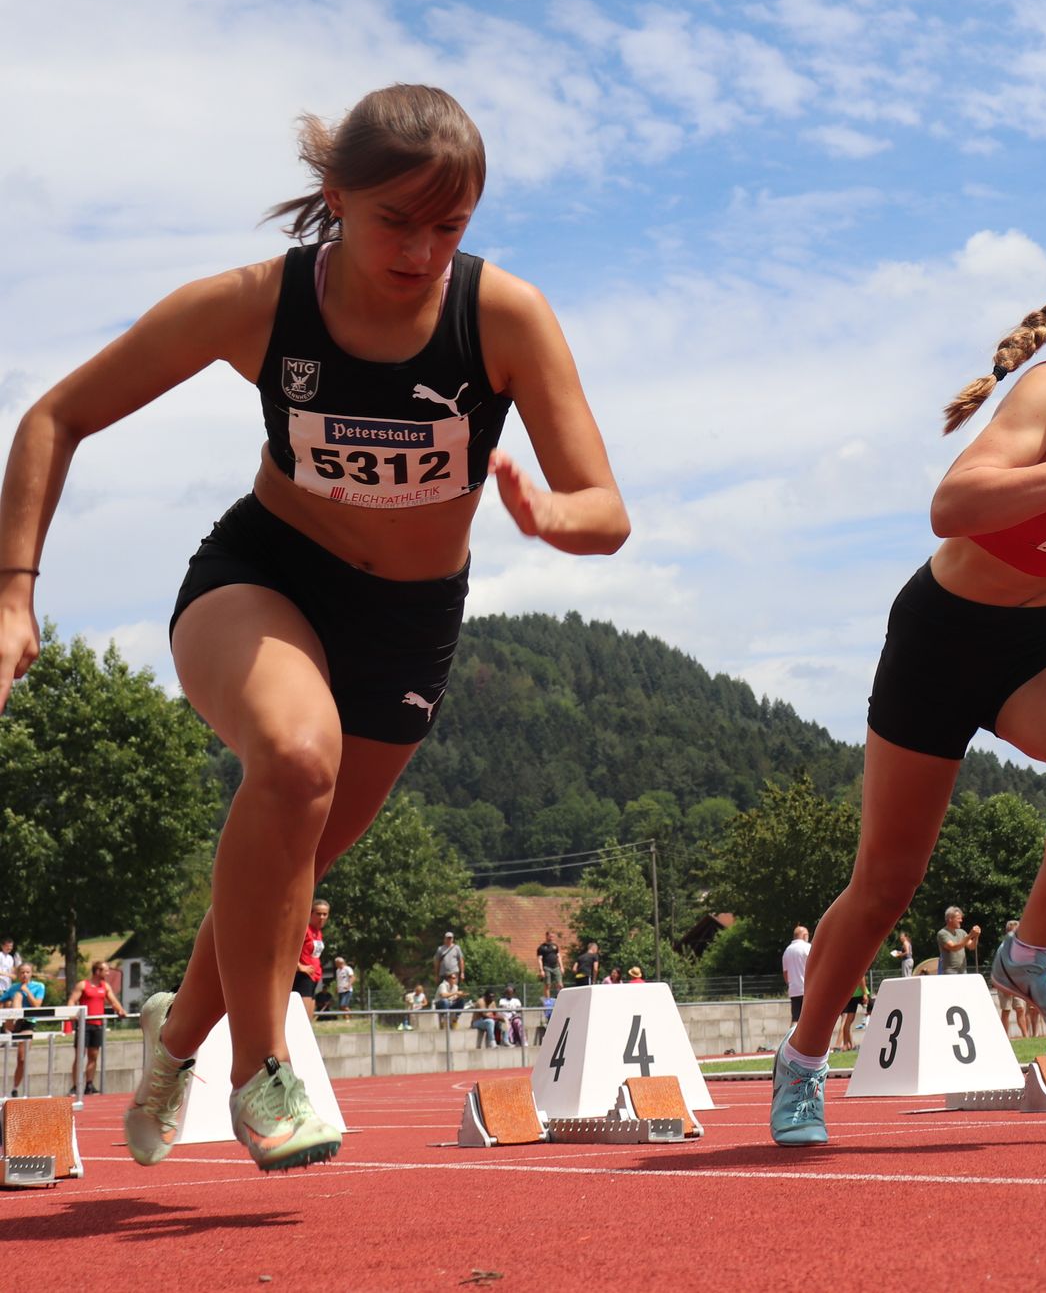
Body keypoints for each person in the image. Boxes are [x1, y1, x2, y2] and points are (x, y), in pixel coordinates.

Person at [0, 87, 631, 1173]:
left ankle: (176, 1048)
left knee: (285, 865)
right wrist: (14, 593)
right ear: (336, 198)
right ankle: (262, 1073)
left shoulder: (505, 318)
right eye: (398, 222)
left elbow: (607, 512)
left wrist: (547, 515)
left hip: (409, 625)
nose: (425, 250)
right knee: (295, 759)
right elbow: (56, 416)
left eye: (453, 226)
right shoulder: (255, 304)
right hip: (262, 578)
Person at [767, 245, 1046, 1151]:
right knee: (886, 884)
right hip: (942, 638)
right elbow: (953, 504)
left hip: (1037, 644)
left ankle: (1031, 951)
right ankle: (805, 1060)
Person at [65, 961, 114, 1096]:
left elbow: (113, 1001)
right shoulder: (83, 985)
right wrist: (71, 1013)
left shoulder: (105, 986)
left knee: (94, 1056)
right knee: (80, 1056)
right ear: (97, 971)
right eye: (106, 970)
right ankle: (75, 1086)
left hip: (98, 1024)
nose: (108, 973)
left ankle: (89, 1084)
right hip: (84, 1024)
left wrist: (121, 1011)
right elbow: (72, 1000)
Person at [2, 962, 42, 1097]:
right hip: (12, 1021)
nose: (25, 975)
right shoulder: (13, 988)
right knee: (14, 997)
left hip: (28, 1022)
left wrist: (27, 991)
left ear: (31, 973)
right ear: (18, 974)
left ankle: (15, 1087)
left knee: (22, 1057)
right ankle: (13, 1020)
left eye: (27, 972)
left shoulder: (38, 986)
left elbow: (37, 1006)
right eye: (22, 972)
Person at [295, 899, 331, 1023]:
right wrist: (299, 966)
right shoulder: (304, 929)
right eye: (318, 913)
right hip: (303, 977)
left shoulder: (318, 932)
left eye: (325, 914)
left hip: (314, 978)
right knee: (302, 1020)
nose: (322, 917)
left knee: (308, 1021)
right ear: (310, 914)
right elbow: (287, 949)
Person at [781, 926, 812, 1025]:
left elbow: (785, 973)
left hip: (794, 990)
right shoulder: (807, 947)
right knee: (809, 1019)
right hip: (807, 989)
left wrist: (791, 984)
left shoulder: (787, 951)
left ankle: (790, 1039)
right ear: (804, 935)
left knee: (795, 1018)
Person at [936, 908, 977, 975]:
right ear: (950, 919)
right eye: (958, 918)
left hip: (963, 970)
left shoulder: (962, 932)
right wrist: (970, 935)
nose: (961, 920)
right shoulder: (942, 933)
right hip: (950, 971)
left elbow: (972, 946)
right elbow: (953, 947)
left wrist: (976, 936)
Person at [536, 931, 561, 998]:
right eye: (550, 936)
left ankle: (560, 998)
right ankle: (548, 1001)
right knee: (548, 985)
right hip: (547, 967)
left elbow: (558, 956)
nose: (552, 938)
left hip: (556, 967)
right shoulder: (541, 947)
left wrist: (561, 967)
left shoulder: (555, 946)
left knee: (560, 984)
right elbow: (539, 959)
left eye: (553, 936)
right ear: (546, 936)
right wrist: (541, 970)